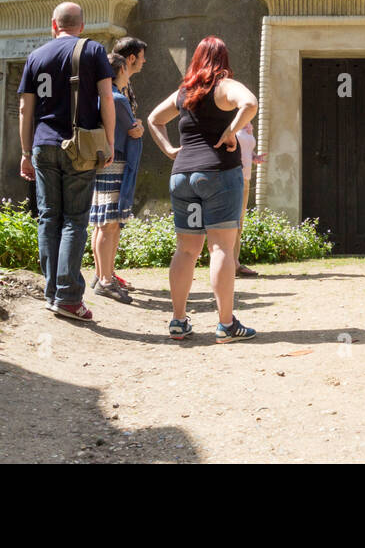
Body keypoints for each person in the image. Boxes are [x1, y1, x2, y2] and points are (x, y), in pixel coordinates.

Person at [145, 37, 260, 341]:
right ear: (223, 59)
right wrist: (230, 130)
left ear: (195, 59)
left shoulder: (184, 93)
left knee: (186, 249)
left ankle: (179, 320)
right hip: (218, 174)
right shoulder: (223, 85)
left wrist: (170, 148)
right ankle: (226, 325)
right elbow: (250, 103)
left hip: (182, 175)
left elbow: (154, 119)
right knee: (220, 247)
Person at [18, 1, 115, 321]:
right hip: (80, 146)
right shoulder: (93, 51)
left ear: (53, 25)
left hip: (42, 146)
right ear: (82, 26)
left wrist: (25, 152)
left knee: (49, 217)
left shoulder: (35, 57)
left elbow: (24, 111)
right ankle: (69, 297)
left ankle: (52, 292)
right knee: (74, 219)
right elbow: (106, 100)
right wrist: (110, 141)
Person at [89, 37, 147, 301]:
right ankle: (105, 279)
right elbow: (133, 130)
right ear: (123, 68)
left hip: (104, 163)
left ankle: (104, 275)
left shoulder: (102, 95)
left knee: (103, 224)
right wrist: (139, 127)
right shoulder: (117, 98)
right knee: (108, 224)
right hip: (117, 163)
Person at [233, 120, 265, 278]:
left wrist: (254, 157)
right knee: (231, 223)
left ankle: (234, 263)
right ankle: (231, 264)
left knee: (239, 223)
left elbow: (244, 149)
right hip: (233, 177)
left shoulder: (247, 124)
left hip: (245, 178)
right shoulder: (231, 119)